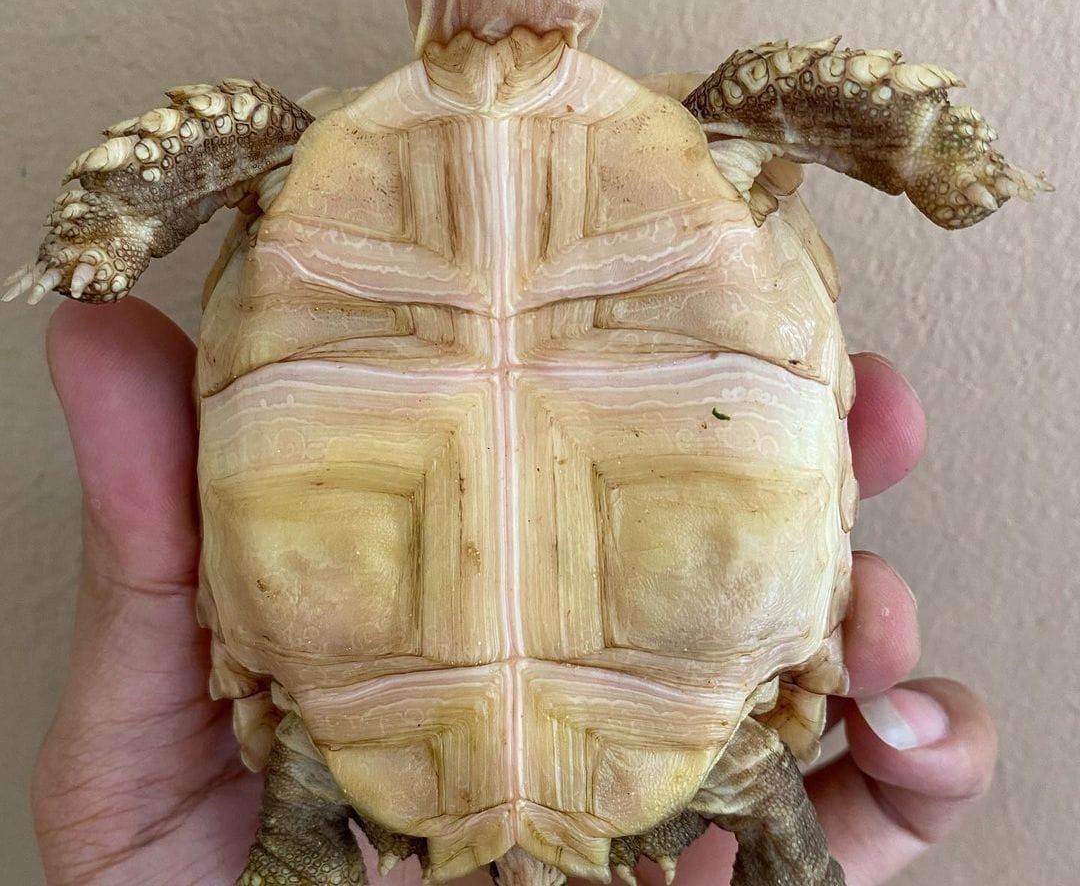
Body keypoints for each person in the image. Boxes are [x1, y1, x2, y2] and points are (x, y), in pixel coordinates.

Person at [31, 300, 997, 885]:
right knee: (748, 752)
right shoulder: (708, 158)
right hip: (680, 732)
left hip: (354, 737)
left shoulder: (299, 177)